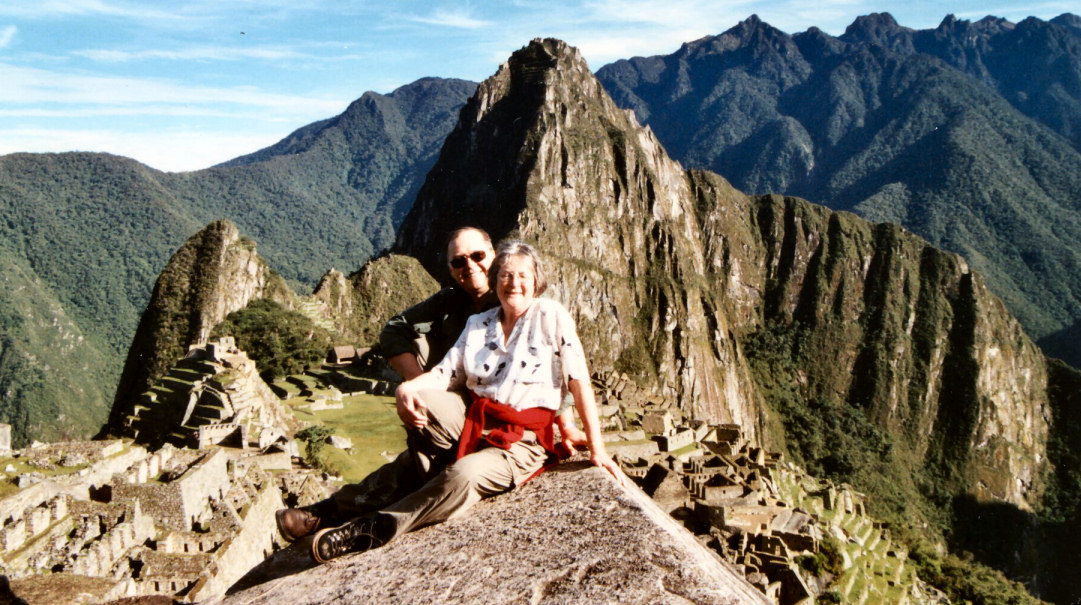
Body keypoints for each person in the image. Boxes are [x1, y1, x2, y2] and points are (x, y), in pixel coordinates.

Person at [307, 240, 623, 563]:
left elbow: (578, 381)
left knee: (463, 476)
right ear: (496, 278)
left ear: (536, 281)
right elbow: (445, 373)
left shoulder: (551, 316)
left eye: (523, 275)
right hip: (475, 418)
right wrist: (408, 390)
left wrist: (597, 448)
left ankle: (380, 524)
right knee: (423, 400)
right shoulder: (479, 324)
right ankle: (431, 475)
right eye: (506, 275)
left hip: (522, 438)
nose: (514, 283)